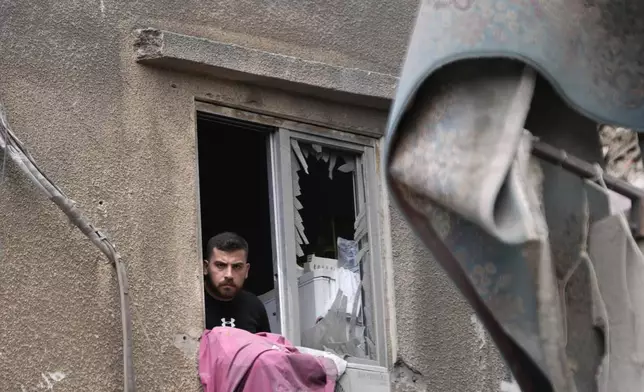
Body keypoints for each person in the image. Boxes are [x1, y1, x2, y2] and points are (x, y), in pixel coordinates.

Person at [203, 232, 271, 333]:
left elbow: (266, 347)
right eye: (221, 265)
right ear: (205, 268)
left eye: (237, 266)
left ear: (246, 270)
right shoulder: (194, 304)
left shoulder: (254, 306)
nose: (229, 275)